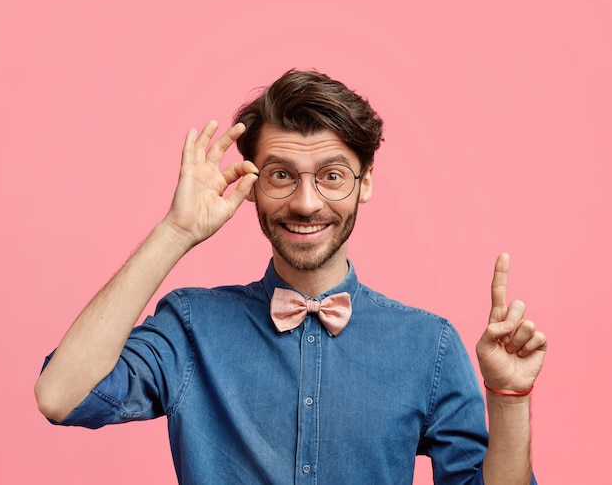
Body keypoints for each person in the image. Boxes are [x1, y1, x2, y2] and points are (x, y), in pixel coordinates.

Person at [35, 69, 547, 484]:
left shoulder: (429, 346)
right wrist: (176, 231)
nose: (305, 203)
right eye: (282, 175)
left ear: (365, 183)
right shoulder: (190, 326)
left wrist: (509, 399)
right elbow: (60, 396)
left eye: (332, 176)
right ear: (252, 184)